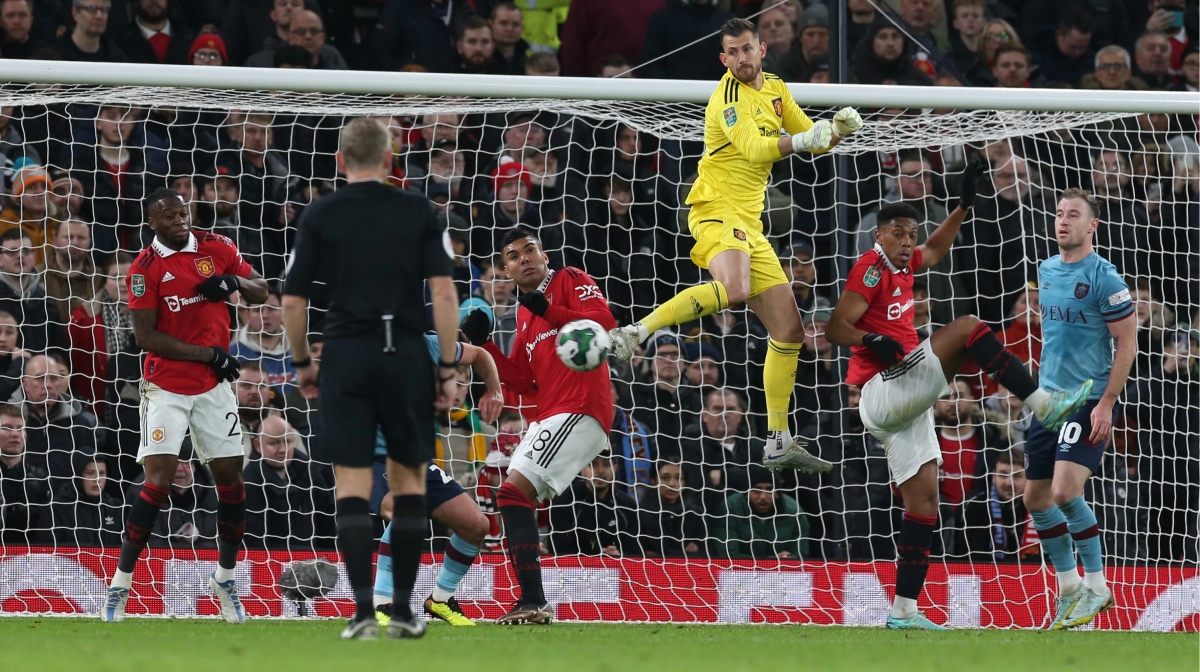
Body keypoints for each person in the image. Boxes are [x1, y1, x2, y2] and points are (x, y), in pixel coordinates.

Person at [825, 164, 1094, 630]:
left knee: (923, 503)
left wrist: (963, 207)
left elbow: (935, 248)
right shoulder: (870, 268)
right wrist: (869, 342)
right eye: (898, 234)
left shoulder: (903, 263)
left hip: (901, 405)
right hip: (882, 390)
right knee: (969, 327)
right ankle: (1045, 406)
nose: (908, 242)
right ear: (878, 235)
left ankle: (903, 611)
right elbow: (834, 327)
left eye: (911, 233)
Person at [609, 18, 859, 475]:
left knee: (789, 332)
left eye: (748, 50)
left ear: (762, 49)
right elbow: (755, 147)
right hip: (716, 209)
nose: (742, 59)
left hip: (751, 224)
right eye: (733, 53)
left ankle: (779, 440)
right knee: (735, 290)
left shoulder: (778, 87)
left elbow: (812, 139)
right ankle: (636, 333)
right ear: (723, 59)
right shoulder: (726, 97)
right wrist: (806, 138)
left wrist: (838, 129)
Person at [282, 117, 460, 640]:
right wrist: (446, 368)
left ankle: (363, 611)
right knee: (407, 487)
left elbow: (293, 300)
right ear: (390, 161)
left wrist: (302, 364)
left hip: (346, 353)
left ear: (341, 161)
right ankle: (402, 611)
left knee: (354, 488)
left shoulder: (320, 213)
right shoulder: (420, 210)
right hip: (404, 353)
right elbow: (445, 295)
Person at [100, 188, 269, 625]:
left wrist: (235, 283)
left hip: (214, 389)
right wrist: (209, 354)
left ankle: (225, 578)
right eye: (169, 216)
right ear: (151, 222)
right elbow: (146, 337)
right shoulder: (144, 269)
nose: (180, 220)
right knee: (157, 481)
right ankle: (120, 583)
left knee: (231, 483)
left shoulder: (216, 246)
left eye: (183, 213)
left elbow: (262, 291)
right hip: (167, 388)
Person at [458, 227, 616, 625]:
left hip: (580, 406)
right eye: (513, 256)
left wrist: (549, 310)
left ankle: (533, 599)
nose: (523, 258)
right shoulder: (526, 312)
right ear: (506, 270)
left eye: (530, 250)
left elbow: (602, 321)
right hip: (552, 411)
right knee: (512, 497)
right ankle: (532, 601)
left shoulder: (569, 279)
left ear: (545, 257)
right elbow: (523, 380)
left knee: (513, 492)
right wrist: (485, 344)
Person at [1023, 189, 1137, 630]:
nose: (1063, 221)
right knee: (1034, 497)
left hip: (1087, 400)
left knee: (1065, 492)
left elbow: (1127, 342)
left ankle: (1098, 584)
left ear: (1093, 225)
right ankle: (1068, 589)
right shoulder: (1045, 271)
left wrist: (1107, 402)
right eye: (1058, 214)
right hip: (1047, 401)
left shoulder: (1106, 278)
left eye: (1074, 215)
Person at [372, 328, 502, 627]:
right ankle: (382, 603)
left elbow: (480, 354)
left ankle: (440, 600)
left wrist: (494, 390)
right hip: (370, 457)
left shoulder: (427, 344)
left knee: (476, 526)